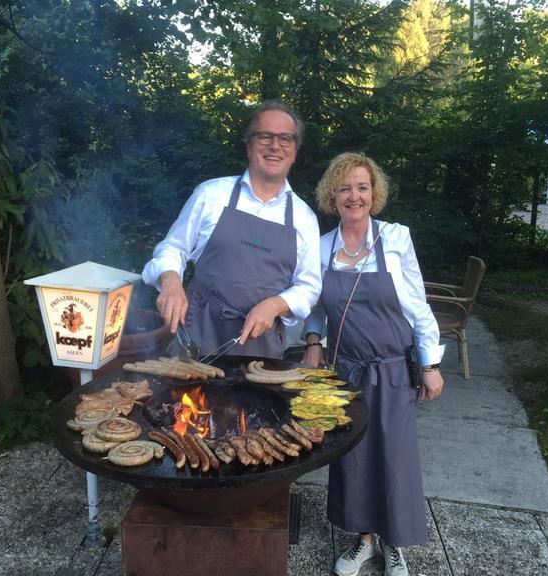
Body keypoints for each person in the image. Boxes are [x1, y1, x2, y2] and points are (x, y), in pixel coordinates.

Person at [302, 152, 444, 576]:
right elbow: (313, 306)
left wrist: (431, 362)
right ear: (332, 195)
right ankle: (363, 540)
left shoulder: (396, 238)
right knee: (353, 457)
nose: (354, 195)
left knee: (395, 457)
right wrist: (312, 340)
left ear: (374, 193)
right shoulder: (320, 247)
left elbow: (417, 305)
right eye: (345, 187)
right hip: (344, 372)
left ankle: (394, 543)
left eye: (362, 187)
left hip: (393, 370)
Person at [143, 100, 321, 359]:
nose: (275, 145)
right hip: (195, 337)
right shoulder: (211, 194)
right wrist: (171, 283)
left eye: (285, 138)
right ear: (249, 145)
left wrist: (275, 305)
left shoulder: (304, 219)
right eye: (265, 136)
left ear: (294, 151)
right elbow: (172, 248)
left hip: (261, 347)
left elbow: (309, 287)